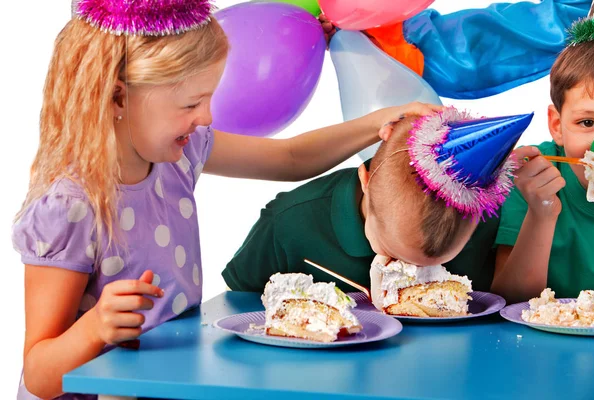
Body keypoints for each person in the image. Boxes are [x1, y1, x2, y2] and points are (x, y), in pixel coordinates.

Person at [10, 1, 441, 398]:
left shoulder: (181, 153)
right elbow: (39, 373)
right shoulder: (70, 206)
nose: (207, 117)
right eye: (192, 102)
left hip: (157, 386)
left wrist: (377, 121)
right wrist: (93, 330)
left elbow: (289, 158)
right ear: (120, 96)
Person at [223, 109, 532, 293]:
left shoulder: (493, 216)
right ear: (365, 181)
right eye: (391, 251)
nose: (408, 272)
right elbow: (234, 309)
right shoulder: (288, 224)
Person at [492, 11, 594, 303]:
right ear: (557, 126)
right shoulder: (534, 176)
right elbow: (512, 299)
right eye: (588, 123)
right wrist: (541, 213)